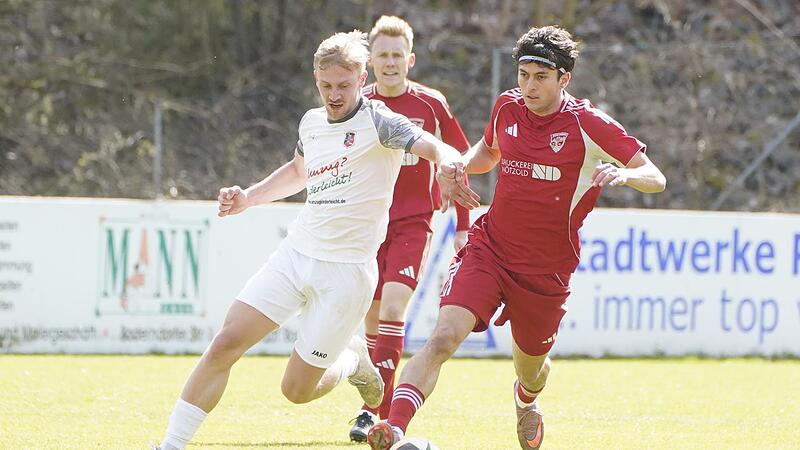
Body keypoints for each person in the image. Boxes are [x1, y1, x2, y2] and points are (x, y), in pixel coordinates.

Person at [153, 30, 478, 450]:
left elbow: (435, 146)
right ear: (315, 78)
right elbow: (297, 172)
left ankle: (353, 360)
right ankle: (170, 445)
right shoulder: (311, 122)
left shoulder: (380, 121)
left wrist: (449, 164)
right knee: (226, 342)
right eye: (326, 85)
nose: (334, 95)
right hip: (295, 255)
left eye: (344, 85)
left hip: (346, 275)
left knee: (295, 390)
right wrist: (248, 197)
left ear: (362, 79)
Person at [367, 25, 666, 450]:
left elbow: (656, 177)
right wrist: (458, 165)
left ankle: (525, 398)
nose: (529, 86)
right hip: (490, 250)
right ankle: (394, 429)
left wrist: (626, 175)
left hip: (546, 271)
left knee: (532, 370)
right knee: (443, 337)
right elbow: (488, 152)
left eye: (540, 77)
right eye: (523, 75)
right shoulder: (507, 106)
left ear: (564, 78)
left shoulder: (588, 124)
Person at [348, 16, 473, 442]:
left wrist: (462, 226)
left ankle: (377, 415)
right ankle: (373, 407)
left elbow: (459, 159)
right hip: (369, 224)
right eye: (382, 55)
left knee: (392, 310)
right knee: (371, 316)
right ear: (370, 61)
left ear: (410, 59)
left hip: (413, 223)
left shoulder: (431, 104)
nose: (390, 62)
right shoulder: (358, 103)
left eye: (397, 55)